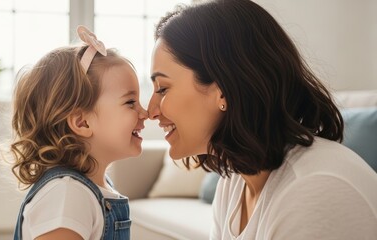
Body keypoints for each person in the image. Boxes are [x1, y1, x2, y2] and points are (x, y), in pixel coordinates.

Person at [147, 0, 377, 239]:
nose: (150, 110)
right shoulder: (235, 183)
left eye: (163, 89)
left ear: (223, 91)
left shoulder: (314, 189)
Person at [9, 25, 148, 240]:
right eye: (131, 102)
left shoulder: (92, 188)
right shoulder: (67, 194)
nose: (145, 112)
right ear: (82, 122)